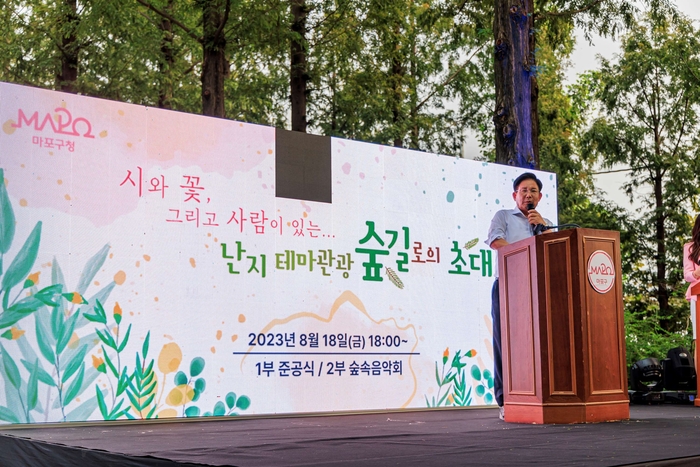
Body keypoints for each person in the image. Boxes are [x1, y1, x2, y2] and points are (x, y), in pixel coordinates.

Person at [485, 172, 551, 420]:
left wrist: (542, 229)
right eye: (523, 190)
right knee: (504, 343)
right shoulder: (503, 216)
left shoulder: (545, 223)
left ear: (540, 196)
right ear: (515, 195)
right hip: (507, 285)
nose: (528, 195)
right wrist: (524, 252)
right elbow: (495, 241)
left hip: (537, 288)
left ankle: (537, 396)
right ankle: (505, 400)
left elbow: (551, 252)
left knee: (537, 342)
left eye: (533, 191)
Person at [684, 214, 700, 340]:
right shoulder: (690, 247)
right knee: (698, 337)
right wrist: (696, 273)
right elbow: (687, 275)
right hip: (698, 295)